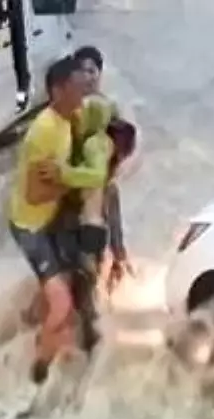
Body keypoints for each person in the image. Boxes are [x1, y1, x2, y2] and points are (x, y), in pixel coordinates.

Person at [7, 56, 107, 384]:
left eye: (86, 85)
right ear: (57, 91)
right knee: (62, 305)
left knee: (71, 285)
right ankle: (37, 369)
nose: (84, 93)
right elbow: (35, 195)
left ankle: (27, 323)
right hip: (31, 227)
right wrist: (70, 181)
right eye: (78, 87)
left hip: (50, 220)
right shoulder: (43, 132)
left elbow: (109, 116)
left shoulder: (70, 117)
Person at [73, 45, 133, 291]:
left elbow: (123, 148)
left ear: (100, 73)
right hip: (74, 188)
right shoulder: (68, 107)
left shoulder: (111, 108)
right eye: (82, 70)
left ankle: (115, 268)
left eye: (92, 70)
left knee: (110, 240)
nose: (87, 76)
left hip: (102, 187)